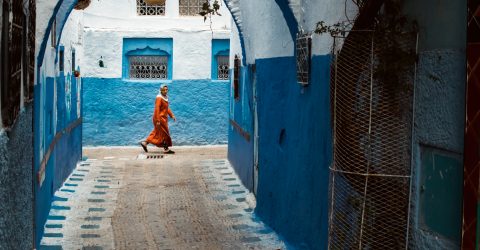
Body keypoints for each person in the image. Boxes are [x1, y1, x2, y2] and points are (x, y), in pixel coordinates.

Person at [140, 84, 176, 154]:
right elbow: (157, 109)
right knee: (164, 133)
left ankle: (145, 143)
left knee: (157, 132)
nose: (165, 91)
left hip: (163, 118)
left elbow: (166, 108)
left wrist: (172, 115)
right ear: (161, 90)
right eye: (164, 90)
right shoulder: (159, 98)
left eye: (166, 90)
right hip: (159, 118)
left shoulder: (165, 97)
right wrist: (158, 120)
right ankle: (166, 149)